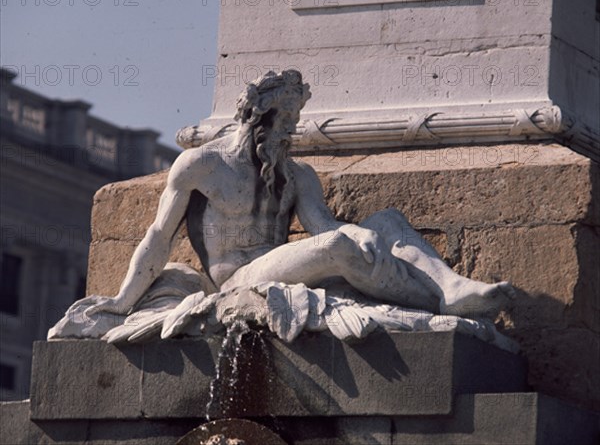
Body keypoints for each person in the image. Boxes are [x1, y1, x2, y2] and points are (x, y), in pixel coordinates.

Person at [85, 70, 513, 320]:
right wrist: (123, 300)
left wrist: (358, 232)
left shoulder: (297, 174)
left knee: (385, 223)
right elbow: (159, 236)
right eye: (285, 117)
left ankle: (453, 288)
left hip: (284, 266)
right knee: (337, 245)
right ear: (256, 117)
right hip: (237, 280)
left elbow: (323, 226)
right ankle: (437, 307)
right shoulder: (202, 165)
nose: (292, 127)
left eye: (295, 116)